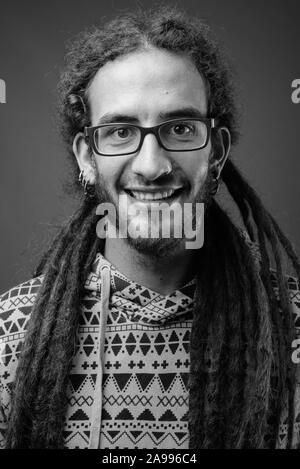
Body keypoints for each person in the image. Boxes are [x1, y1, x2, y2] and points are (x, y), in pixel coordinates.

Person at [0, 6, 299, 450]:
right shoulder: (11, 335)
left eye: (179, 128)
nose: (152, 165)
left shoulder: (291, 326)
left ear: (215, 151)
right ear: (87, 156)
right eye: (120, 132)